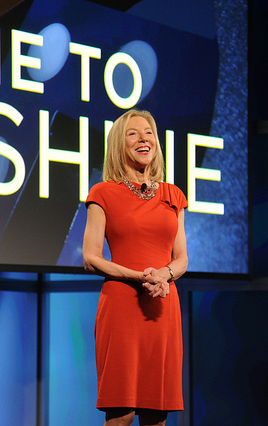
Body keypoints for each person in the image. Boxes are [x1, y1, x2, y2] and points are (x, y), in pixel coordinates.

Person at [82, 109, 188, 426]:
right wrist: (140, 276)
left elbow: (181, 258)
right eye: (133, 133)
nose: (144, 139)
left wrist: (164, 275)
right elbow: (91, 257)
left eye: (149, 133)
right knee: (122, 411)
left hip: (162, 305)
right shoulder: (102, 192)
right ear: (119, 144)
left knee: (157, 412)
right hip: (121, 305)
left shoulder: (174, 195)